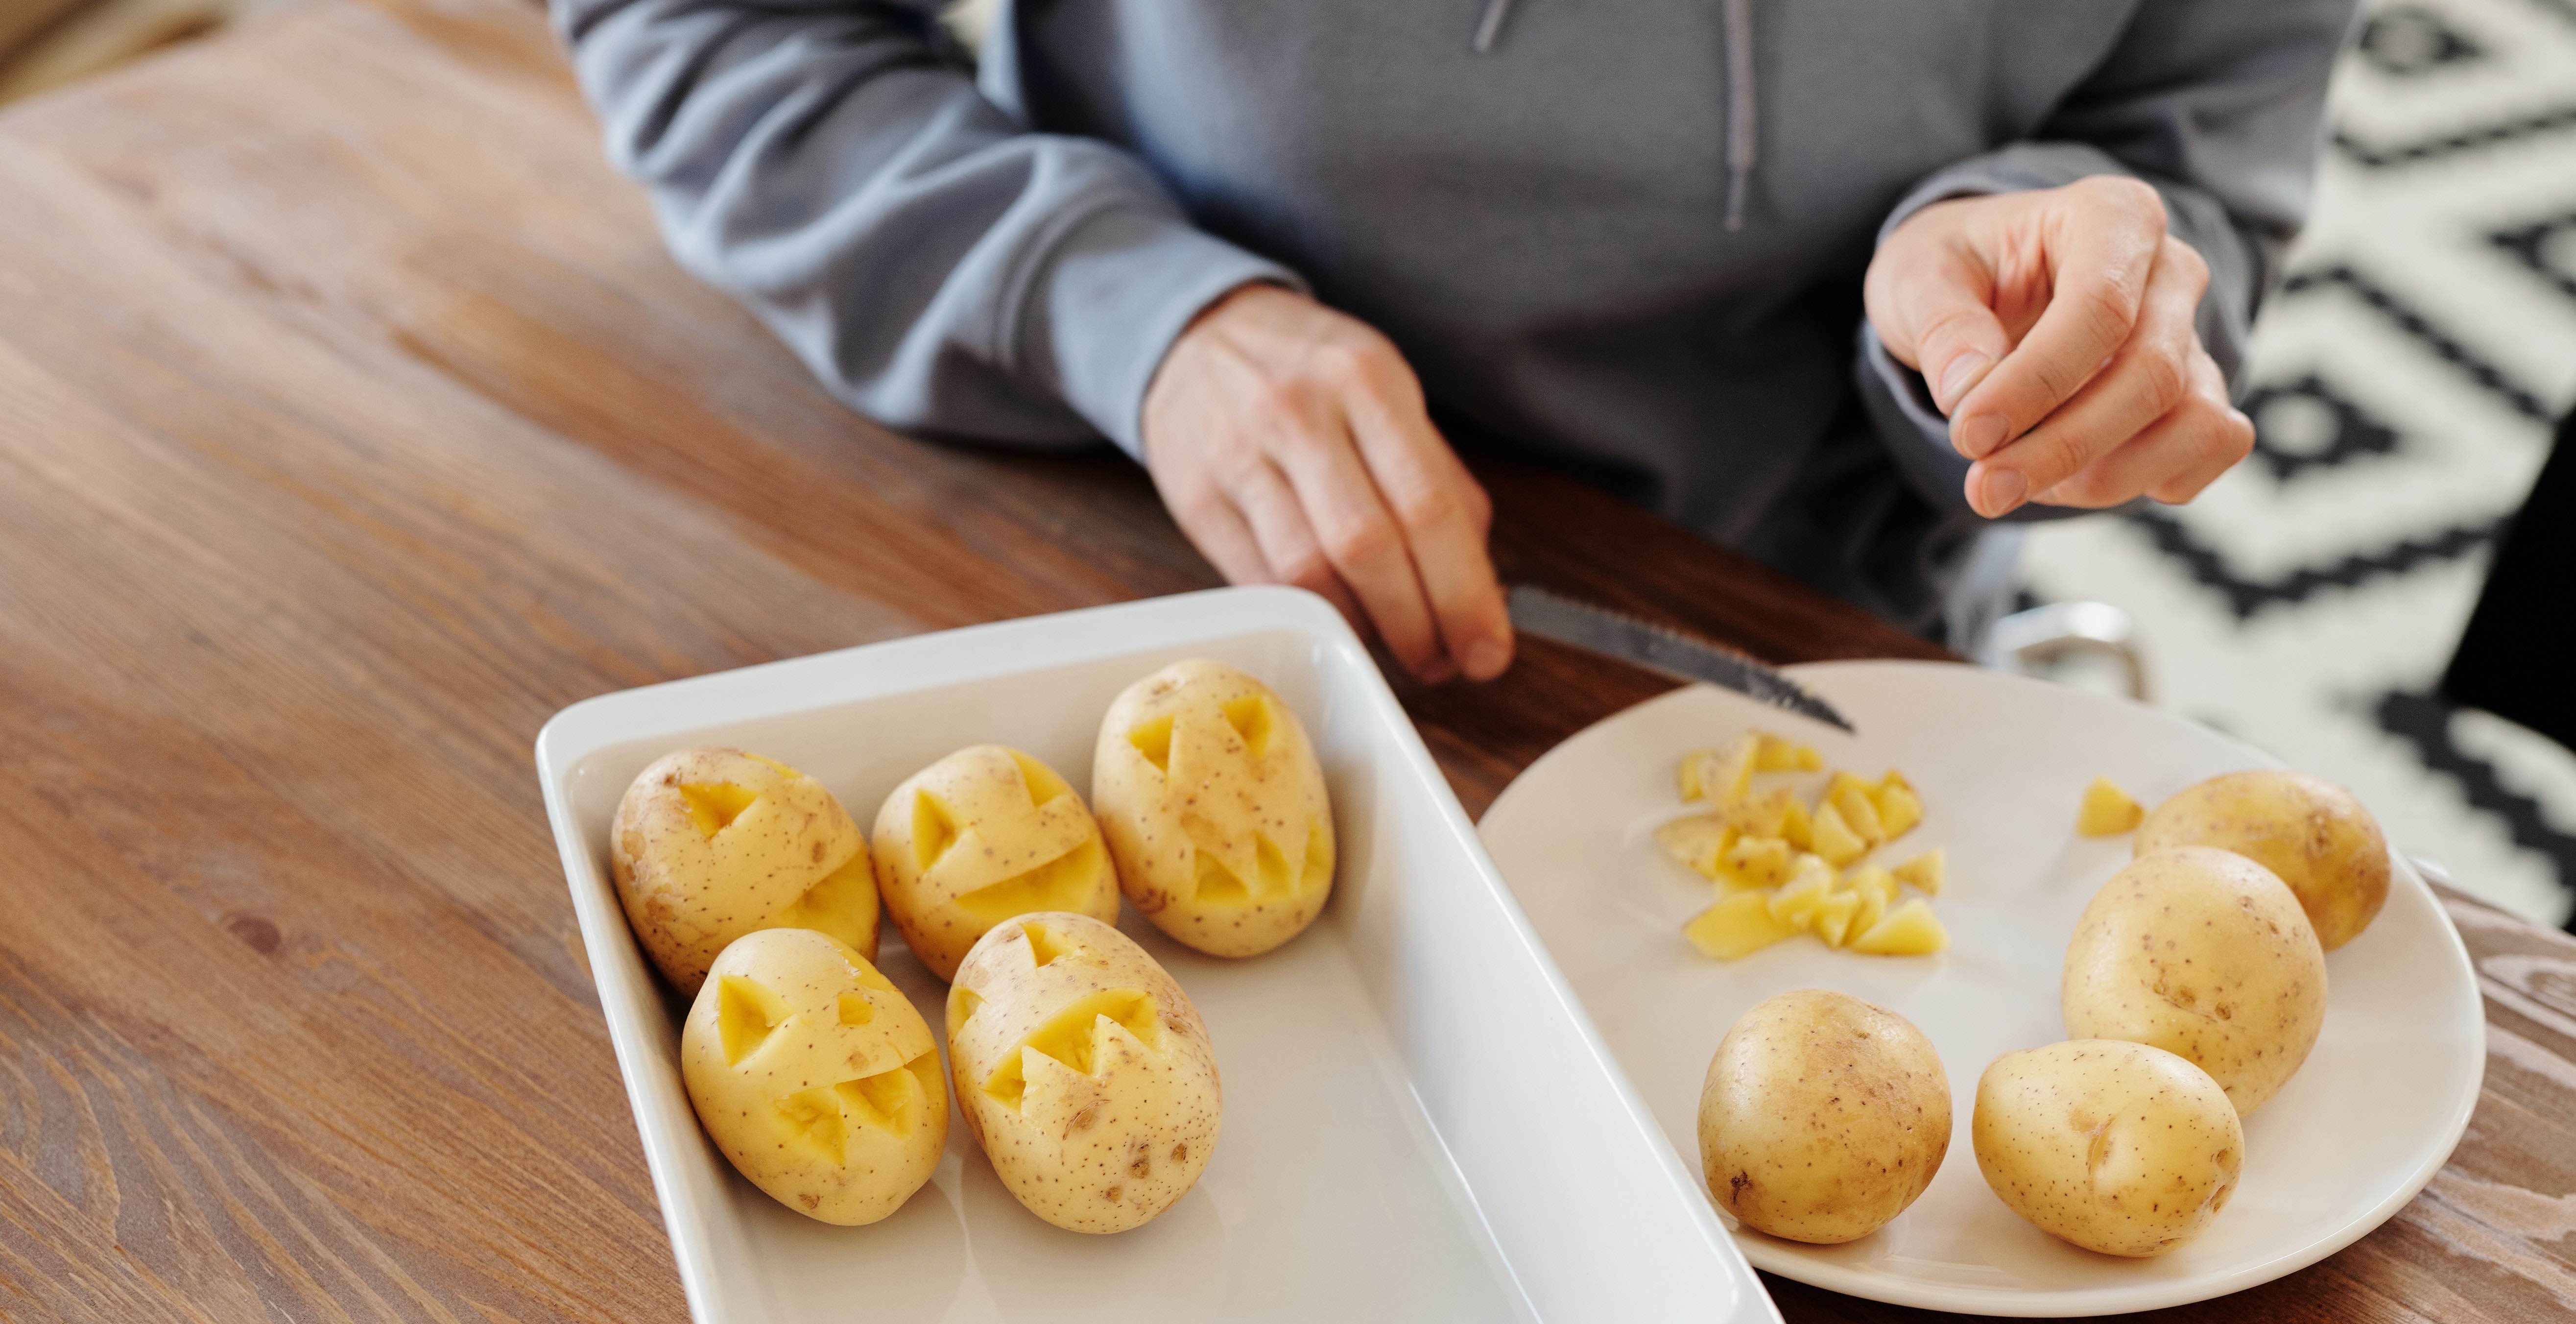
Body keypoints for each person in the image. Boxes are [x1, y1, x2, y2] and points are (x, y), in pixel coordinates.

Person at [554, 0, 2352, 681]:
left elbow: (2182, 175)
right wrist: (1133, 313)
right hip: (1090, 544)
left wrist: (2033, 335)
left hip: (1768, 664)